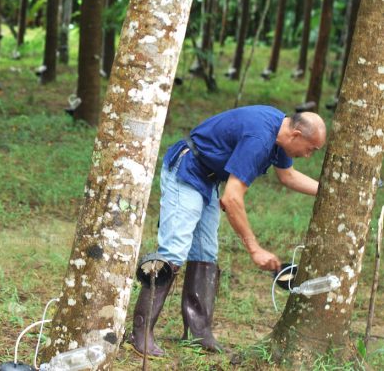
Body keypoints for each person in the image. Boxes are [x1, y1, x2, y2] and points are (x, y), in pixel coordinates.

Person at [129, 106, 326, 359]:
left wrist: (327, 190)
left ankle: (199, 333)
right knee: (174, 250)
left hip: (208, 177)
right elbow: (232, 199)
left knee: (206, 253)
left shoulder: (281, 133)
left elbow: (287, 176)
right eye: (311, 149)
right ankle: (140, 334)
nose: (309, 156)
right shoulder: (260, 138)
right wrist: (254, 249)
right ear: (296, 135)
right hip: (188, 168)